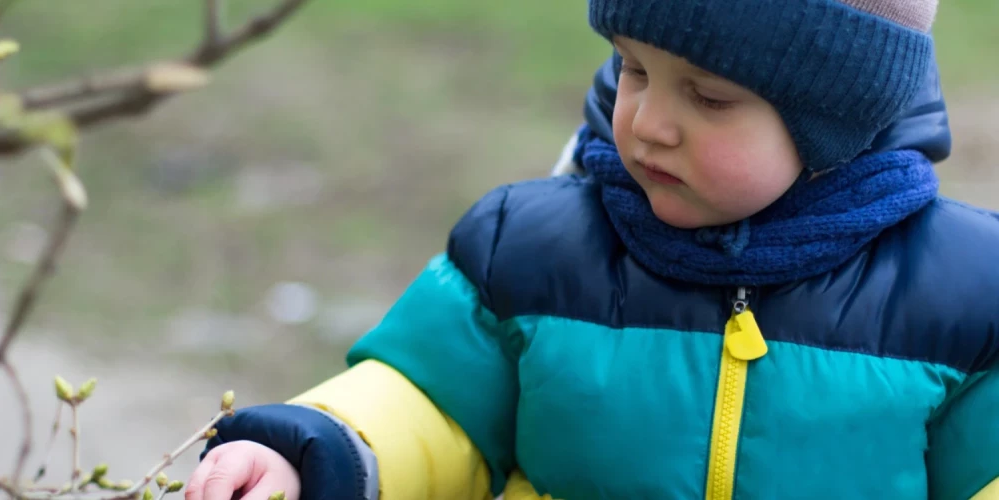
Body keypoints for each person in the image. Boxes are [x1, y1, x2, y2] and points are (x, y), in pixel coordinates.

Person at [183, 1, 999, 499]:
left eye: (708, 96)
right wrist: (309, 455)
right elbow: (432, 409)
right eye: (633, 68)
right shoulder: (531, 253)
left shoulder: (961, 299)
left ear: (836, 122)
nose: (646, 121)